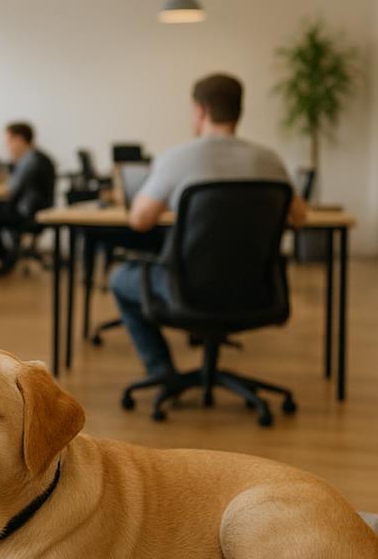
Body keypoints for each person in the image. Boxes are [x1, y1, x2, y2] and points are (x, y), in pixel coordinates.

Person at [111, 73, 307, 381]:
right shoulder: (269, 160)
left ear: (200, 110)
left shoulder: (178, 158)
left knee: (121, 278)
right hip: (256, 290)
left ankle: (161, 371)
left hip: (188, 289)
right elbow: (299, 217)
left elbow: (139, 220)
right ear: (239, 111)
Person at [0, 121, 56, 274]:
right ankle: (6, 258)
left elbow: (13, 190)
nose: (7, 146)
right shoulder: (33, 157)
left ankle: (4, 260)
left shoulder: (31, 161)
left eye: (9, 141)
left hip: (31, 214)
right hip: (33, 210)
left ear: (20, 139)